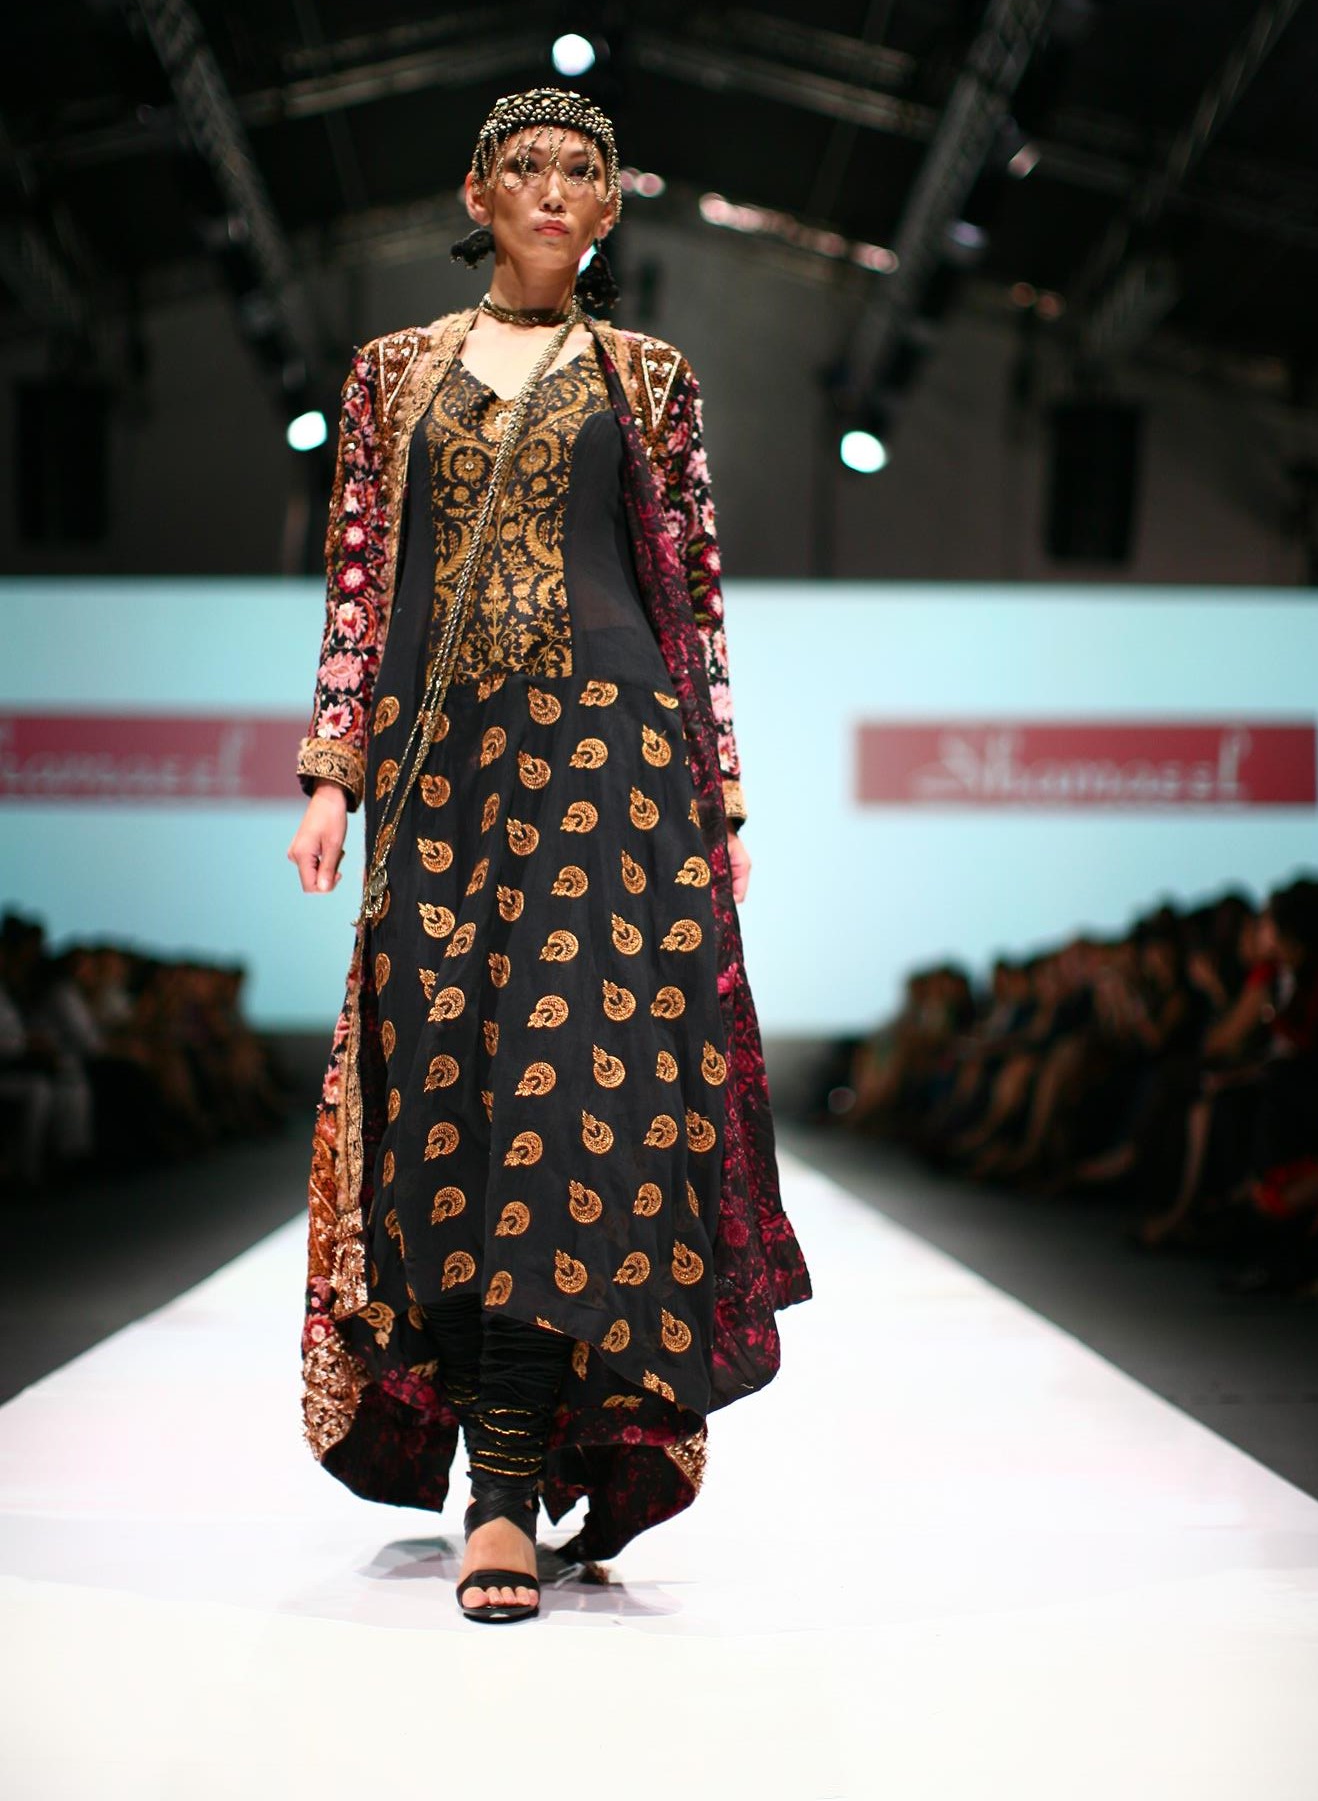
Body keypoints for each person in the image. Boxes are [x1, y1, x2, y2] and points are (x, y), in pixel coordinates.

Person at [287, 85, 811, 1623]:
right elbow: (360, 583)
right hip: (436, 770)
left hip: (612, 763)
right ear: (478, 193)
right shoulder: (393, 373)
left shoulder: (650, 377)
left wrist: (720, 798)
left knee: (572, 1110)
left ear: (612, 203)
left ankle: (506, 1494)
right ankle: (482, 1449)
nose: (555, 187)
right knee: (442, 1104)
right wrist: (330, 775)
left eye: (583, 168)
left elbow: (689, 589)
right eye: (526, 165)